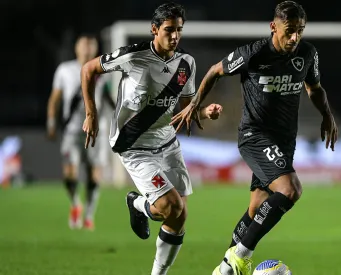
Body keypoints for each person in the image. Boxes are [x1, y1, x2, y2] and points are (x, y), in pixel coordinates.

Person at [171, 1, 338, 274]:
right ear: (274, 27)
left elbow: (315, 88)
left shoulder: (307, 54)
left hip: (284, 141)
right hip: (255, 135)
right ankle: (239, 257)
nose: (294, 37)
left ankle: (225, 268)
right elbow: (215, 71)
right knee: (290, 190)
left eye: (300, 30)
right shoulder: (254, 53)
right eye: (289, 30)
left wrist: (327, 114)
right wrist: (194, 104)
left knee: (257, 207)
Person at [80, 2, 222, 274]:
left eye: (179, 30)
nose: (175, 36)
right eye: (169, 30)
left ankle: (156, 266)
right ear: (154, 29)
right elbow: (88, 70)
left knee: (178, 215)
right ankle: (137, 202)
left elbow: (186, 110)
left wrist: (204, 111)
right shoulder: (134, 56)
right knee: (171, 205)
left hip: (167, 143)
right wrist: (92, 114)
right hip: (134, 146)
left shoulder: (186, 64)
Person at [47, 34, 115, 230]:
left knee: (95, 174)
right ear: (76, 48)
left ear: (95, 48)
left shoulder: (103, 71)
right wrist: (52, 123)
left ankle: (89, 215)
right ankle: (76, 203)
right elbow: (55, 99)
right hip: (72, 130)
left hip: (96, 131)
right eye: (83, 45)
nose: (86, 49)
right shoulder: (65, 70)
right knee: (70, 173)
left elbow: (109, 99)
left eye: (90, 45)